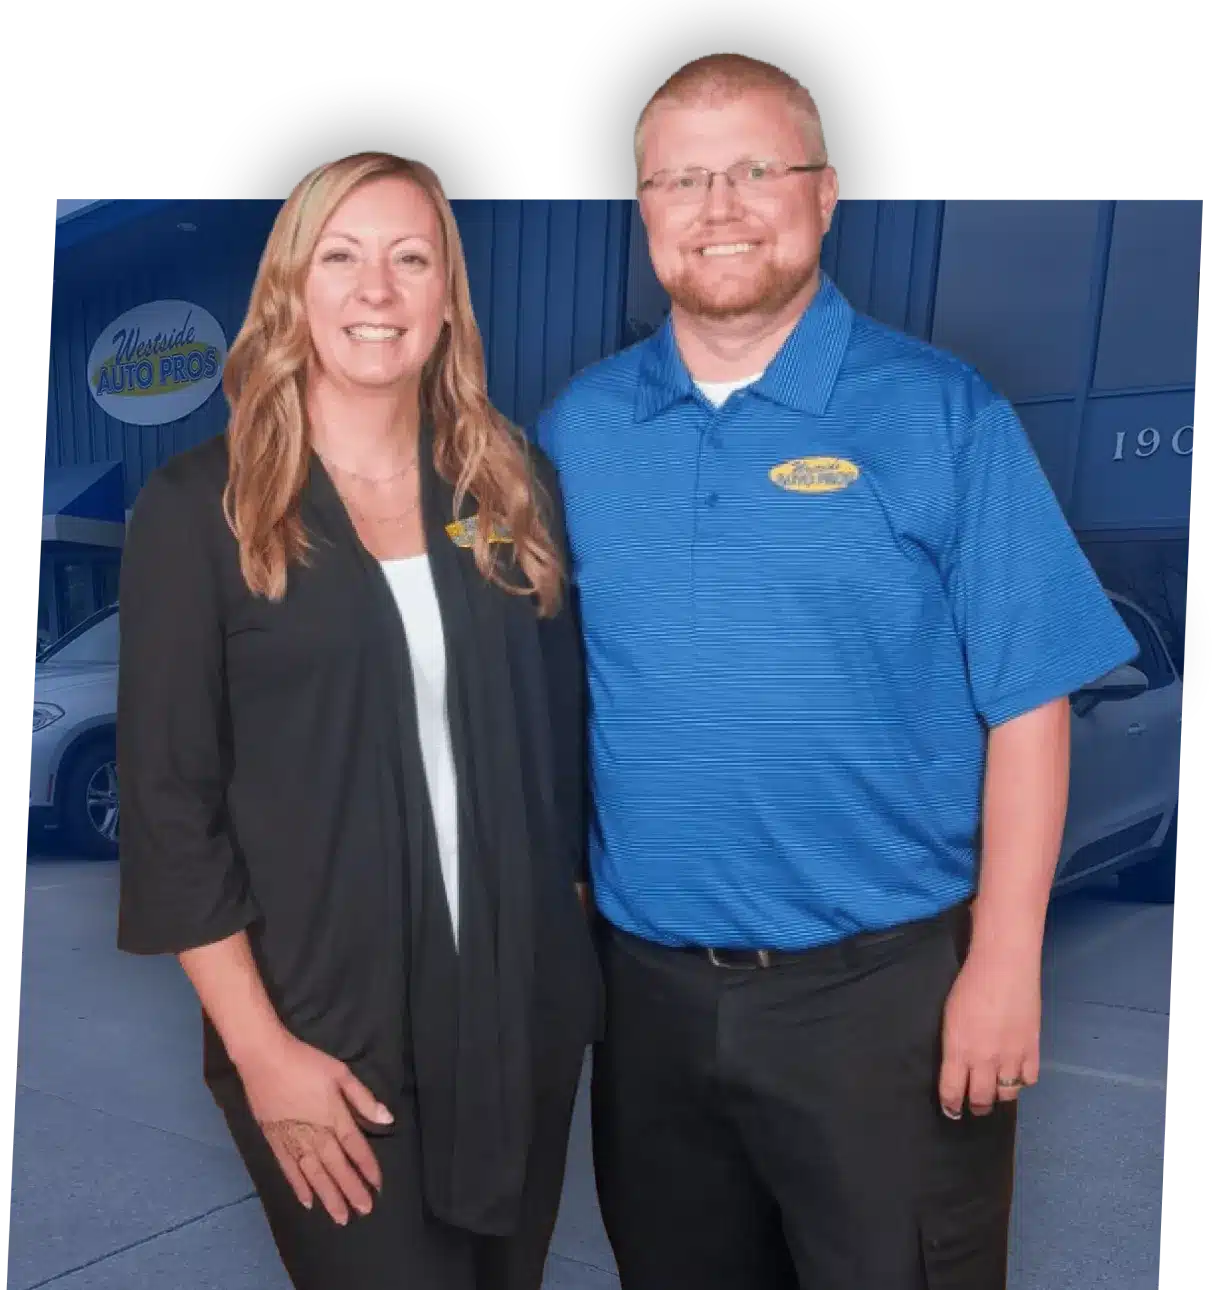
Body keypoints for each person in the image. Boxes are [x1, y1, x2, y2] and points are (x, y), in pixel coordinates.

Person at [535, 54, 1140, 1290]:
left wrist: (1003, 965)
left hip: (883, 1004)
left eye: (756, 169)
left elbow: (1028, 701)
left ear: (825, 195)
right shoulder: (576, 432)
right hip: (644, 1003)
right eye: (683, 178)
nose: (719, 206)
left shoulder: (939, 414)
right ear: (642, 211)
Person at [116, 151, 602, 1290]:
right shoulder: (208, 508)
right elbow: (170, 807)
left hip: (514, 1010)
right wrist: (260, 1053)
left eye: (408, 257)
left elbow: (559, 745)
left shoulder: (508, 485)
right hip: (323, 1029)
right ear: (292, 286)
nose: (374, 290)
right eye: (341, 256)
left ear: (445, 298)